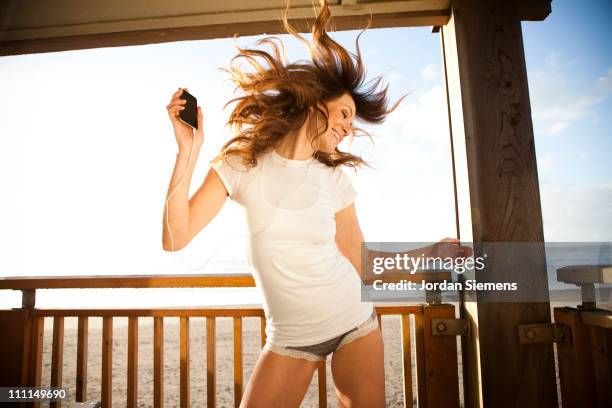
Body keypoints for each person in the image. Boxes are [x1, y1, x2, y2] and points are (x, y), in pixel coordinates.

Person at [162, 1, 470, 406]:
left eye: (353, 120)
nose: (348, 126)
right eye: (344, 113)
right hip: (289, 340)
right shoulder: (239, 166)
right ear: (313, 103)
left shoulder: (335, 180)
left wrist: (430, 254)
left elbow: (362, 264)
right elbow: (175, 238)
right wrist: (188, 150)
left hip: (352, 323)